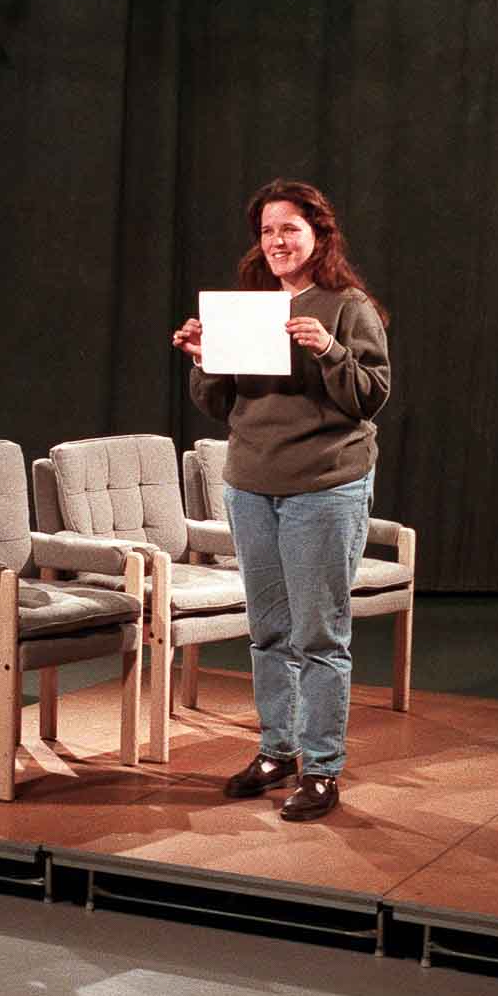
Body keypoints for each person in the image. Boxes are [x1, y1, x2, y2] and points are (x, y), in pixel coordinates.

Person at [170, 179, 391, 821]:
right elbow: (217, 404)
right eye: (267, 231)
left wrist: (328, 348)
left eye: (290, 228)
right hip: (251, 485)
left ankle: (321, 770)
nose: (277, 241)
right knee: (268, 630)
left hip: (324, 487)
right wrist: (205, 358)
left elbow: (371, 395)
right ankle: (277, 750)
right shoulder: (250, 308)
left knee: (319, 635)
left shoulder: (349, 305)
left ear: (319, 234)